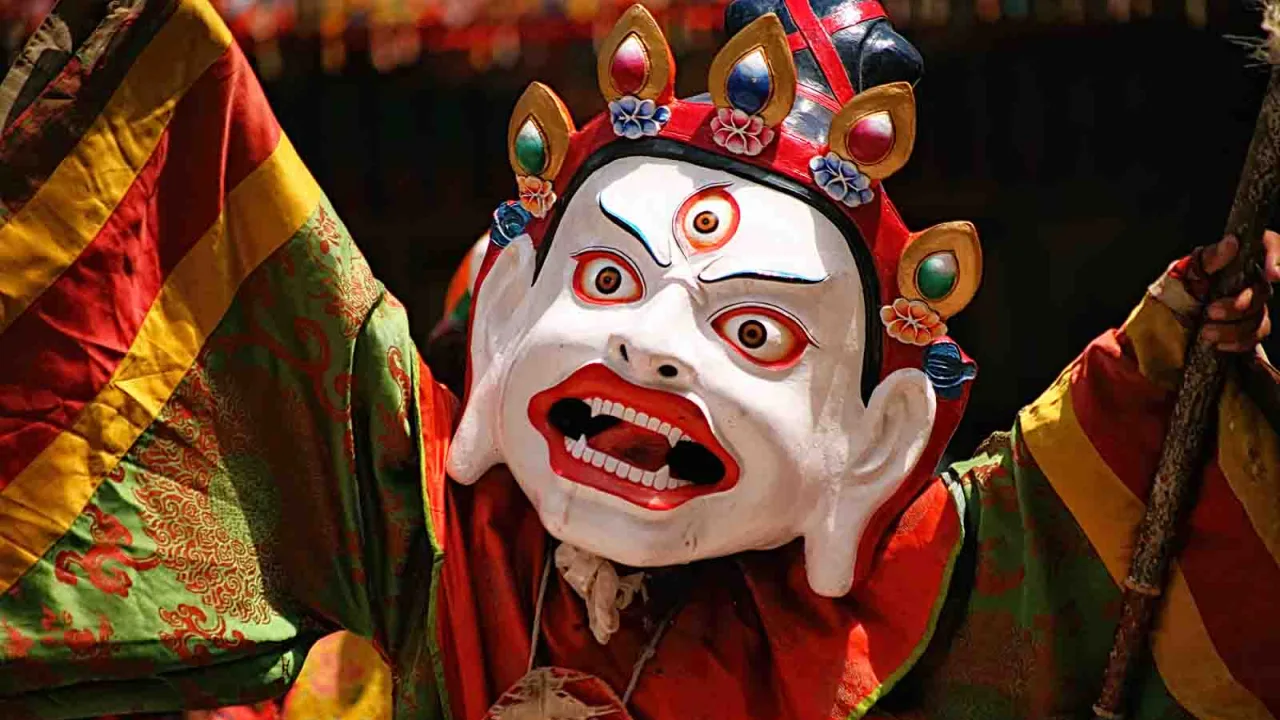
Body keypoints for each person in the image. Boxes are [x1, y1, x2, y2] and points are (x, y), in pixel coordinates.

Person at [0, 1, 1277, 719]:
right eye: (608, 280)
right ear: (500, 318)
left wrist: (1191, 359)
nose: (652, 350)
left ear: (869, 441)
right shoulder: (436, 536)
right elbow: (248, 270)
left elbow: (1064, 518)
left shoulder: (879, 618)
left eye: (753, 333)